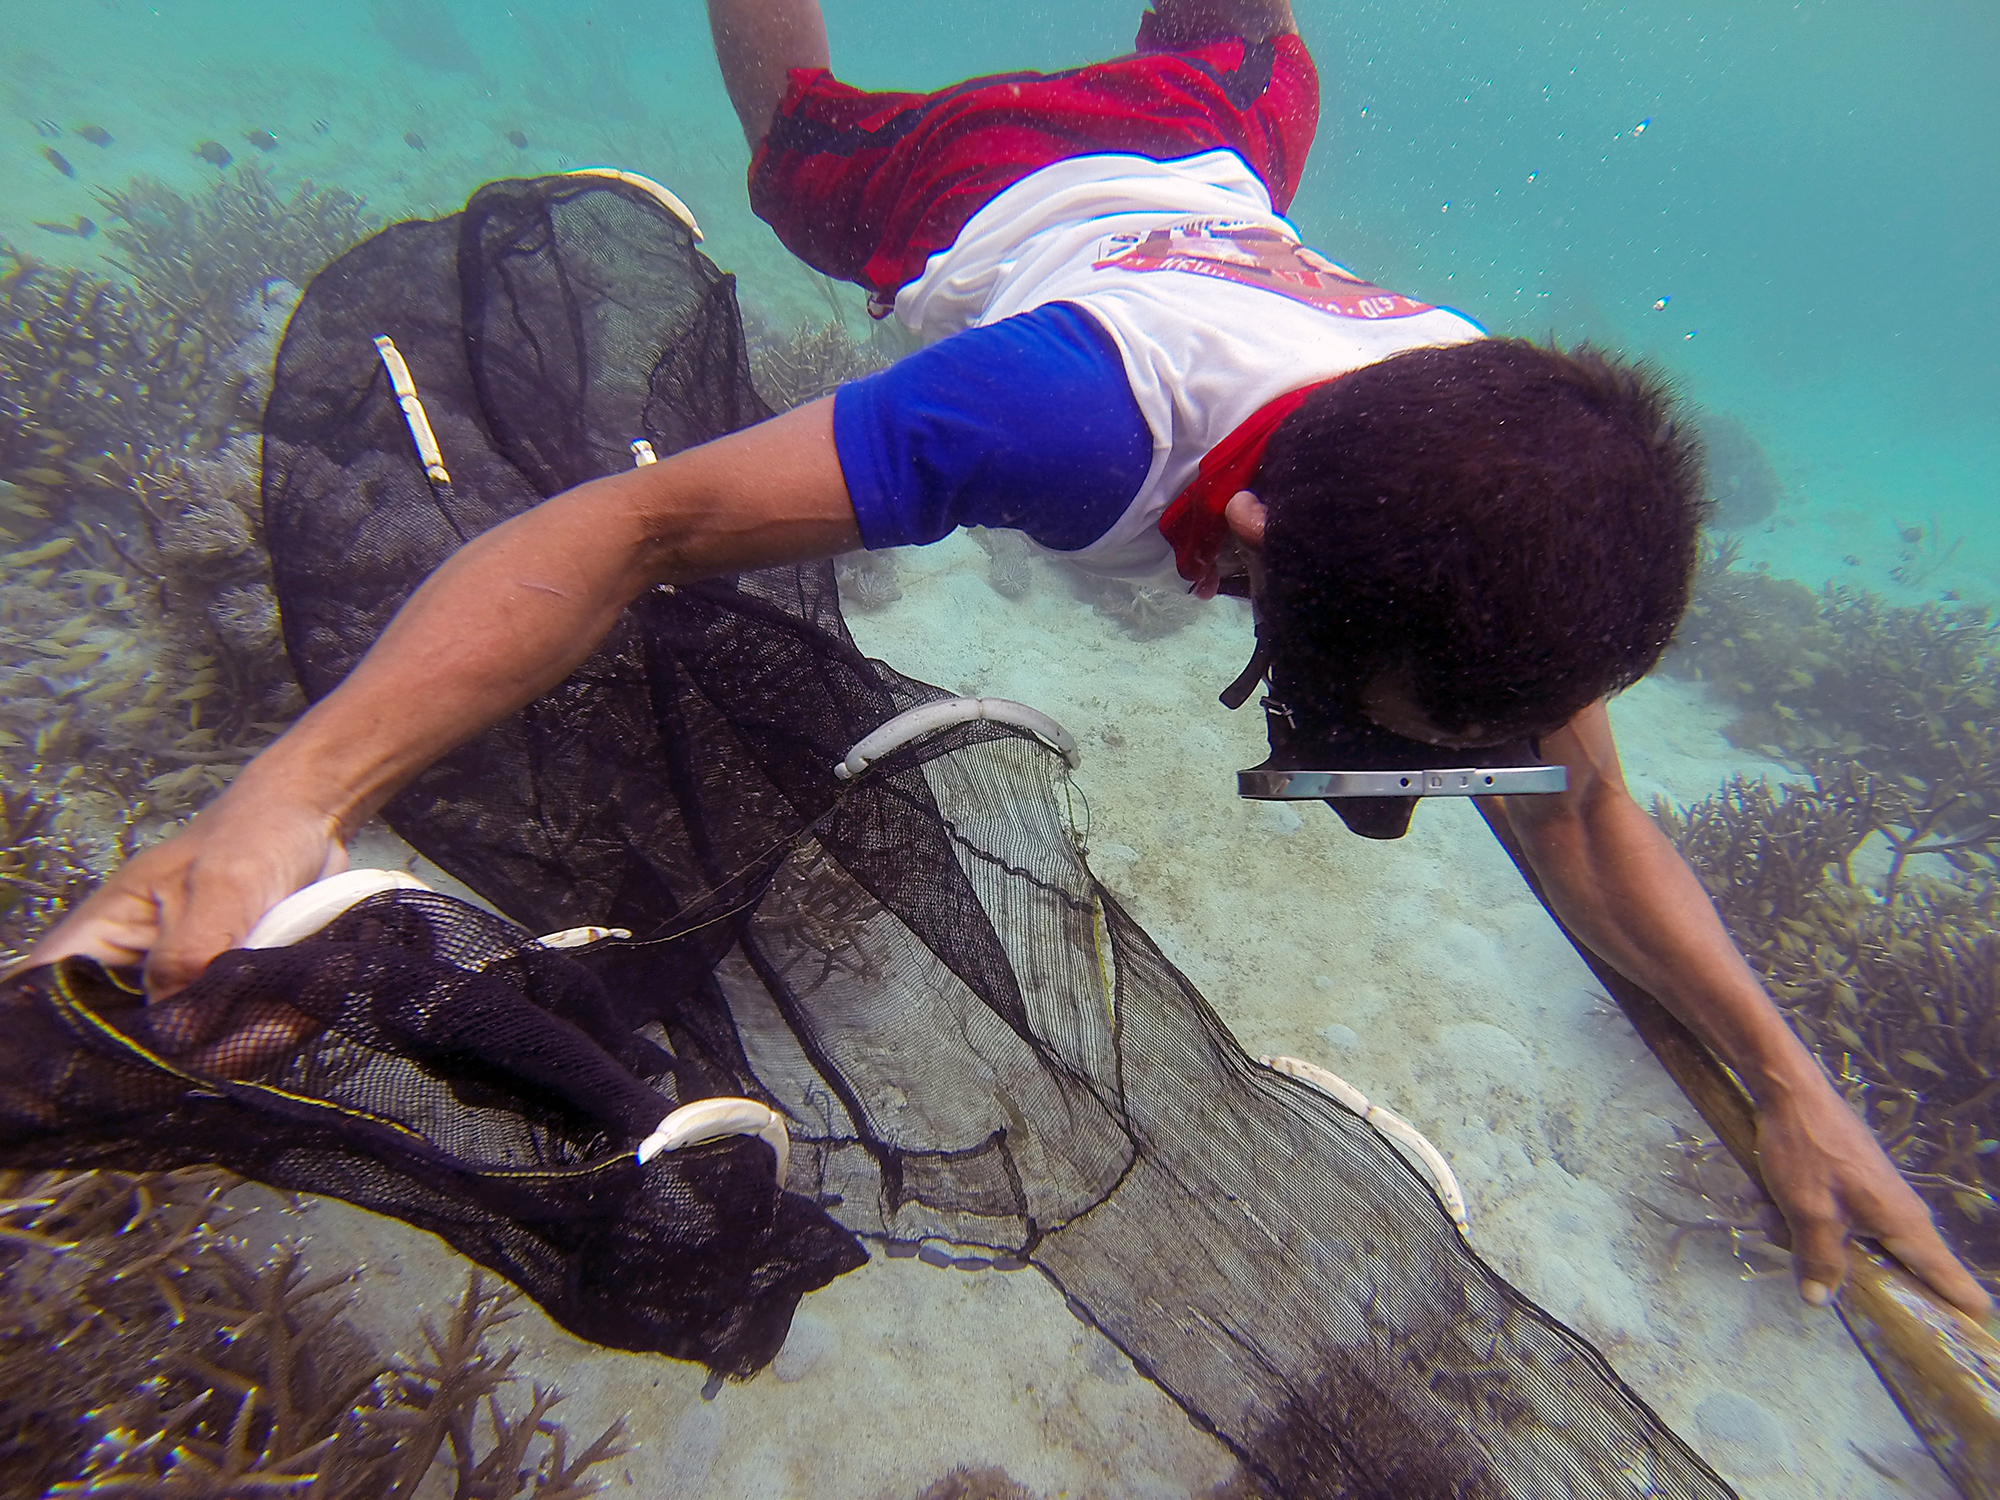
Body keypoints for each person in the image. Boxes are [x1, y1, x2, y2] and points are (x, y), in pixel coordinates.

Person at [22, 0, 1988, 1322]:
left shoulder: (1492, 487)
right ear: (1255, 551)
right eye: (1346, 712)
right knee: (793, 137)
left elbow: (1593, 808)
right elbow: (615, 531)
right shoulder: (1056, 415)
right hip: (990, 187)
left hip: (1215, 159)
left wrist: (1791, 1082)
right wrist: (287, 795)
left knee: (1233, 43)